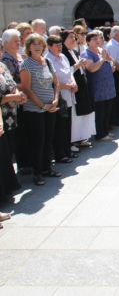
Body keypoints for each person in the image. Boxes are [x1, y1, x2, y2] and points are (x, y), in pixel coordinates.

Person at [20, 34, 61, 186]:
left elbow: (56, 83)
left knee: (48, 140)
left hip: (51, 107)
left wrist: (55, 99)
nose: (37, 46)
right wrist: (42, 106)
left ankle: (47, 168)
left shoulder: (48, 62)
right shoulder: (26, 64)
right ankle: (37, 173)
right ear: (28, 47)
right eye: (34, 44)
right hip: (34, 110)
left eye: (40, 44)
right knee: (38, 141)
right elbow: (26, 88)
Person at [45, 35, 78, 162]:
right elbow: (52, 81)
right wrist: (66, 86)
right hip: (58, 97)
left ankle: (67, 150)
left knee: (67, 125)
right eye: (56, 45)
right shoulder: (47, 59)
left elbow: (69, 72)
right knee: (59, 127)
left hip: (68, 96)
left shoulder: (63, 57)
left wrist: (73, 83)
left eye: (60, 45)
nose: (59, 48)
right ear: (49, 47)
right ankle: (60, 154)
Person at [61, 30, 95, 147]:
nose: (74, 40)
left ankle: (81, 137)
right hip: (72, 88)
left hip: (81, 85)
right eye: (71, 37)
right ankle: (73, 140)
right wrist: (78, 65)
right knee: (74, 117)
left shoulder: (74, 51)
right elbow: (67, 71)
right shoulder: (63, 54)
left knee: (83, 113)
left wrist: (82, 64)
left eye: (75, 37)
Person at [81, 32, 116, 142]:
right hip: (98, 87)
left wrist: (110, 62)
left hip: (108, 86)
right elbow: (91, 68)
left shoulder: (102, 51)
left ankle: (105, 130)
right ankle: (100, 134)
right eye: (94, 39)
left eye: (99, 38)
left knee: (107, 110)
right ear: (88, 41)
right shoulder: (87, 54)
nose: (97, 41)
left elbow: (111, 61)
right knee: (100, 111)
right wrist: (102, 58)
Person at [0, 55, 25, 201]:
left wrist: (17, 95)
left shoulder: (2, 66)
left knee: (7, 153)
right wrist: (14, 97)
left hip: (9, 117)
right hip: (3, 115)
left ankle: (7, 188)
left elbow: (12, 84)